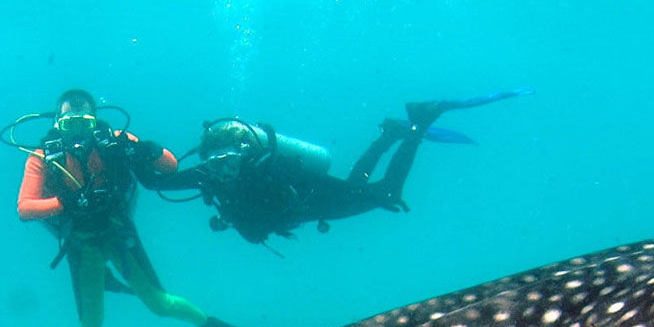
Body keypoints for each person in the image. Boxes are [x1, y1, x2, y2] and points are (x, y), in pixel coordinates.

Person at [12, 88, 286, 327]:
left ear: (95, 121)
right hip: (81, 244)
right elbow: (25, 208)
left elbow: (170, 166)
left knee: (160, 304)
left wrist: (145, 148)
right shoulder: (43, 156)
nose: (79, 134)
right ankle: (112, 282)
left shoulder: (116, 141)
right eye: (71, 125)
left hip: (118, 233)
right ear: (57, 125)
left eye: (85, 124)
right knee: (90, 326)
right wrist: (66, 203)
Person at [142, 90, 530, 244]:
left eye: (229, 162)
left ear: (245, 154)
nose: (222, 170)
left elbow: (316, 181)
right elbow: (157, 183)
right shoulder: (208, 174)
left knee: (386, 192)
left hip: (317, 201)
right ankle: (394, 132)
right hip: (313, 208)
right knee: (361, 183)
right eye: (216, 164)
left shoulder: (267, 168)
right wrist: (132, 151)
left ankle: (418, 125)